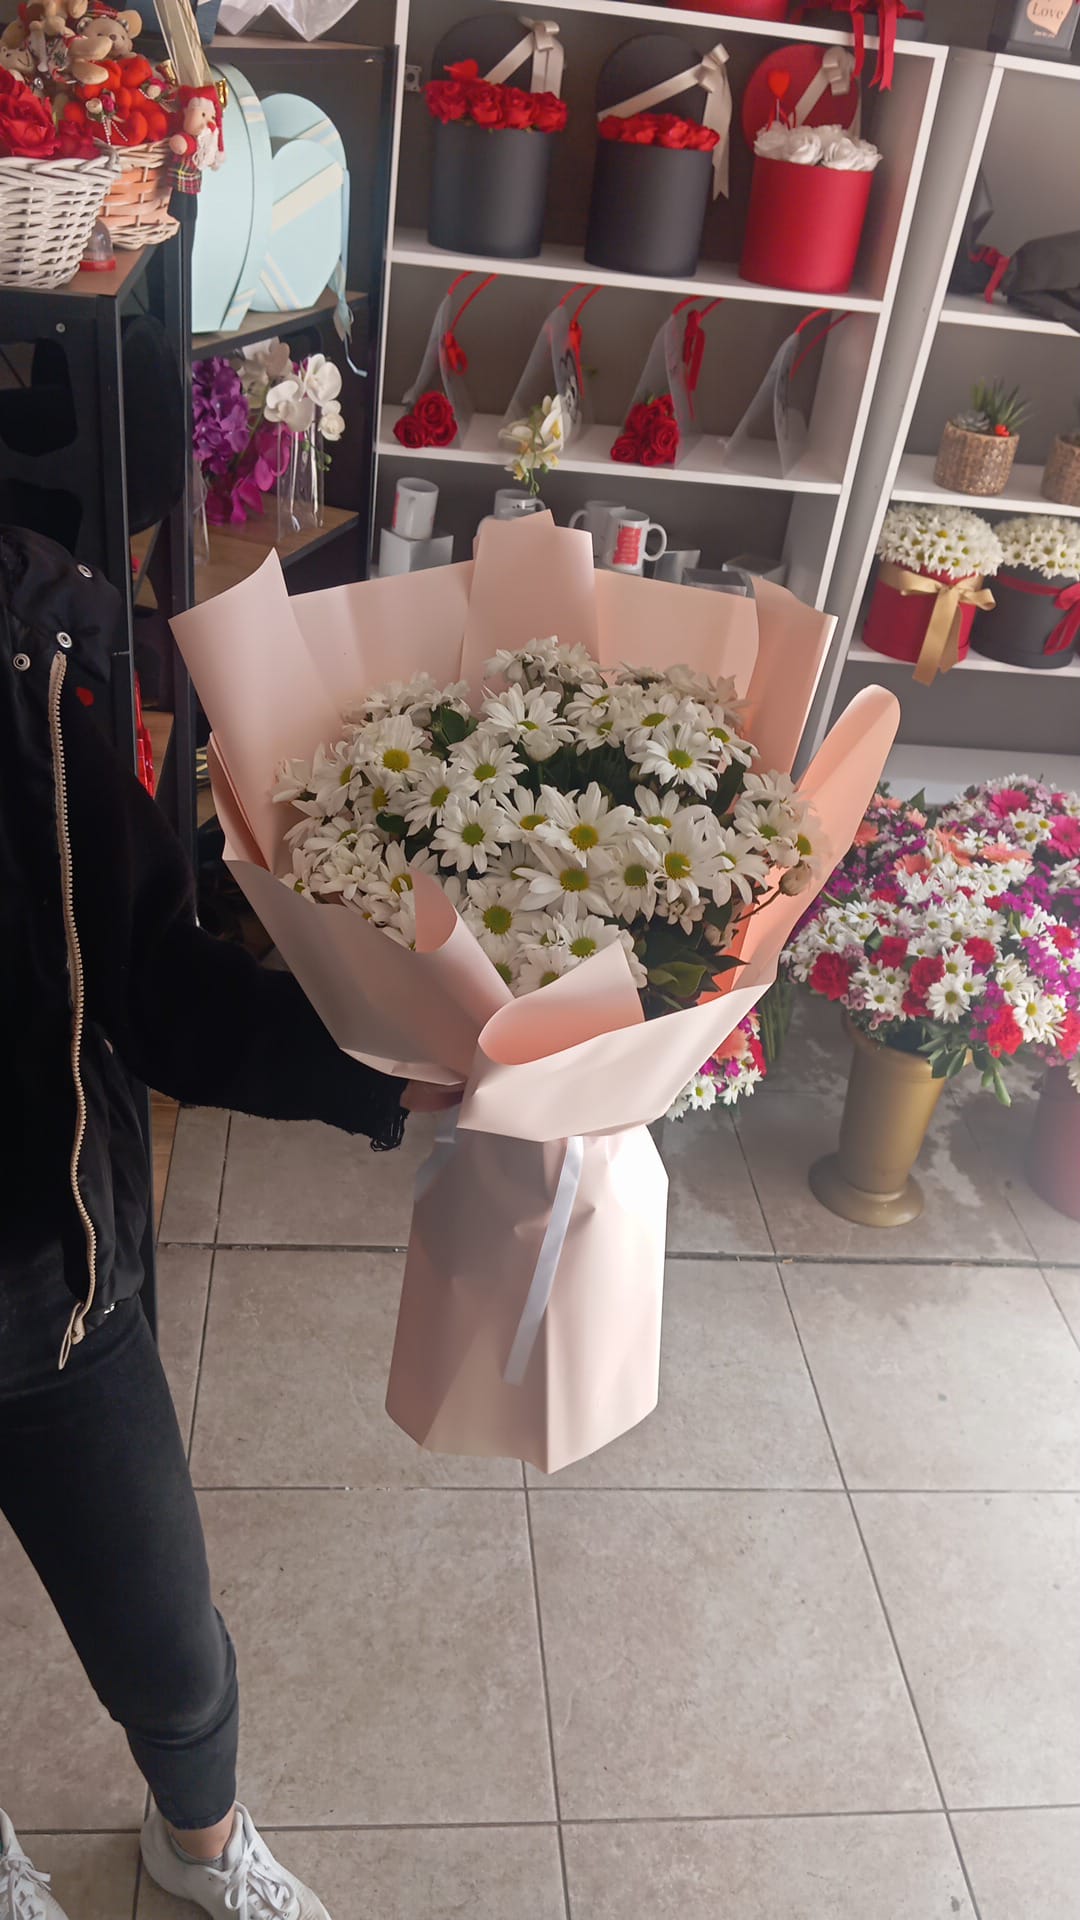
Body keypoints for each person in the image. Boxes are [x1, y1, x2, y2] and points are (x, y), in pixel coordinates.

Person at [0, 528, 450, 1920]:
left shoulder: (30, 638)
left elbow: (150, 974)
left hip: (49, 1288)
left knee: (170, 1651)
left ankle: (198, 1843)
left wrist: (384, 1065)